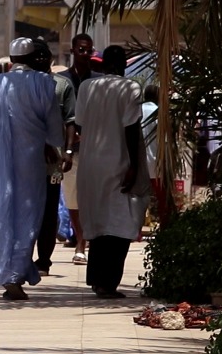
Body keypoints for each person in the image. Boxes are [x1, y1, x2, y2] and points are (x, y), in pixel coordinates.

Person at [0, 37, 64, 300]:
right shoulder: (43, 83)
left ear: (11, 59)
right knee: (28, 216)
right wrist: (54, 146)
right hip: (31, 162)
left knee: (4, 212)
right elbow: (54, 124)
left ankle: (10, 270)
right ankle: (14, 275)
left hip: (1, 162)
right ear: (32, 57)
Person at [75, 45, 150, 299]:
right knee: (120, 224)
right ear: (125, 64)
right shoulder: (130, 88)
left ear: (104, 64)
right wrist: (134, 166)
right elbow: (131, 127)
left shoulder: (86, 87)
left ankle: (97, 279)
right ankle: (108, 283)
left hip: (90, 164)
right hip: (119, 161)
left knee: (98, 222)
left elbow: (79, 123)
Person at [28, 39, 76, 277]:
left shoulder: (62, 85)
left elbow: (70, 121)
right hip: (26, 161)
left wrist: (68, 151)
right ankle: (23, 258)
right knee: (27, 209)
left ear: (50, 58)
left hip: (53, 162)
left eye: (43, 55)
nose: (39, 59)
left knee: (49, 209)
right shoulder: (21, 85)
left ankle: (44, 260)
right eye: (35, 55)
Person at [57, 33, 103, 264]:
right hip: (69, 150)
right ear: (73, 51)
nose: (85, 54)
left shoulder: (98, 81)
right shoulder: (61, 80)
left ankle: (90, 239)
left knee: (93, 197)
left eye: (88, 50)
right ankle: (80, 241)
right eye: (81, 50)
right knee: (72, 197)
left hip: (94, 149)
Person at [141, 84, 169, 226]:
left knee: (138, 199)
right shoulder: (159, 113)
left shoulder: (136, 112)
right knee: (162, 197)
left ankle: (136, 230)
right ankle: (165, 226)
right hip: (156, 163)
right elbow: (165, 141)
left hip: (139, 164)